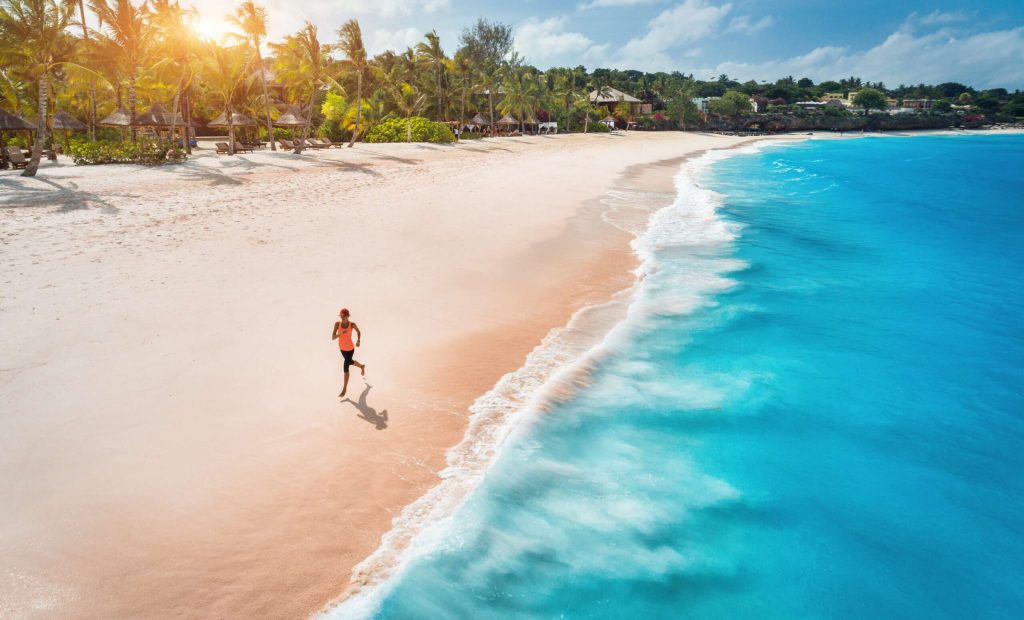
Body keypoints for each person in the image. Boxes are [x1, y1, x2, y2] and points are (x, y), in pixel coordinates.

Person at [332, 308, 365, 397]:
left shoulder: (352, 325)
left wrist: (358, 341)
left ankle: (344, 388)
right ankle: (362, 366)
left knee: (345, 366)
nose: (342, 318)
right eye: (341, 316)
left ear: (348, 316)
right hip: (342, 348)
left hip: (350, 348)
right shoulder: (337, 324)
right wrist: (340, 333)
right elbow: (333, 337)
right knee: (350, 362)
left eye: (344, 316)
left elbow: (358, 331)